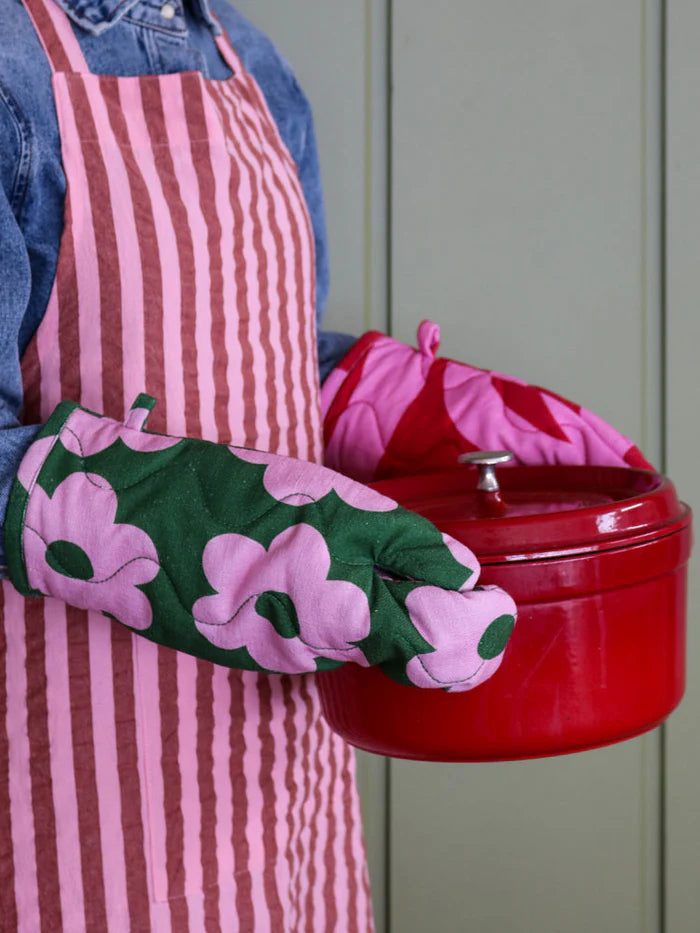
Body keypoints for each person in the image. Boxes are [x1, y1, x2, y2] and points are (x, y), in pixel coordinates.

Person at [0, 0, 651, 929]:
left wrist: (406, 409)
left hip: (283, 765)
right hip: (76, 777)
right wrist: (238, 535)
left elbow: (258, 354)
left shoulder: (245, 55)